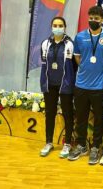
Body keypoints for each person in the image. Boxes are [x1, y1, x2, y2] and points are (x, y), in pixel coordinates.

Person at [68, 6, 103, 164]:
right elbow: (77, 56)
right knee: (80, 118)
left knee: (99, 119)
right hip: (81, 85)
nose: (93, 21)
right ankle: (81, 145)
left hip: (100, 86)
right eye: (91, 18)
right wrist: (85, 67)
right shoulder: (80, 37)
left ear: (102, 20)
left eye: (96, 18)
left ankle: (95, 147)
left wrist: (100, 70)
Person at [39, 17, 75, 158]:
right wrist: (43, 84)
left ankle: (67, 144)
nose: (57, 27)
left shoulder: (70, 44)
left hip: (65, 85)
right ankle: (48, 142)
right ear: (51, 26)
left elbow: (73, 67)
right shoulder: (45, 44)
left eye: (60, 25)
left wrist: (70, 83)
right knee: (50, 113)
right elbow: (44, 66)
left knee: (67, 113)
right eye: (55, 25)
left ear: (65, 27)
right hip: (50, 85)